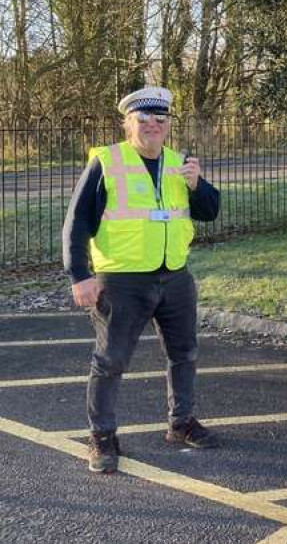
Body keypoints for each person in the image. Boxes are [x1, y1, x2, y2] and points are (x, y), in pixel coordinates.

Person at [62, 86, 221, 473]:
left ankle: (181, 423)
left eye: (160, 118)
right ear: (127, 122)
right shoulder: (107, 162)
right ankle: (102, 437)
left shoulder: (179, 162)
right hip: (122, 280)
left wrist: (197, 184)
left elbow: (210, 210)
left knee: (184, 354)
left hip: (175, 277)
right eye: (143, 118)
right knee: (111, 361)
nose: (152, 124)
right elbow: (76, 221)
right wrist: (80, 275)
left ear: (168, 125)